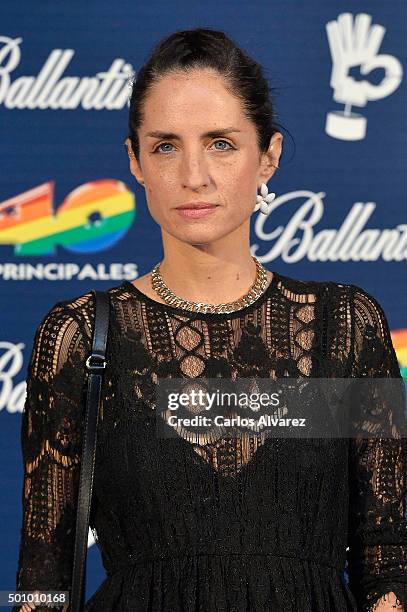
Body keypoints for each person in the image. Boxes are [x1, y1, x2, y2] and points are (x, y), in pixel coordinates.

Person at [13, 27, 407, 612]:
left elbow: (388, 559)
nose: (193, 175)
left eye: (221, 143)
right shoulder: (80, 336)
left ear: (268, 155)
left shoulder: (346, 326)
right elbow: (42, 579)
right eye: (165, 146)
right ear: (135, 161)